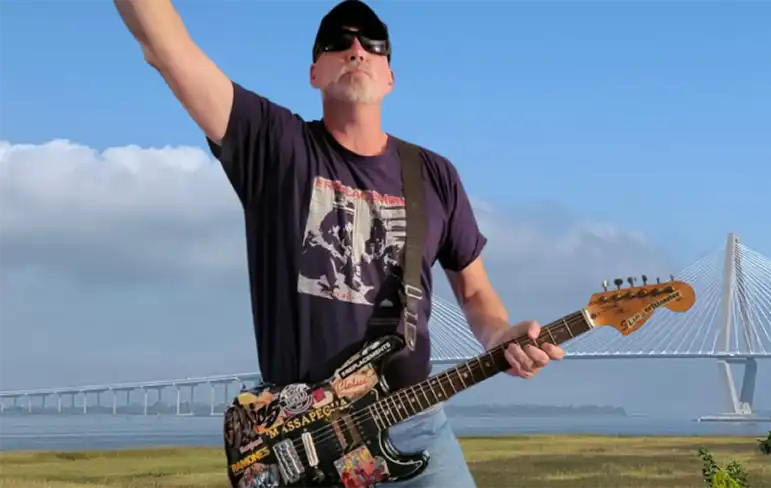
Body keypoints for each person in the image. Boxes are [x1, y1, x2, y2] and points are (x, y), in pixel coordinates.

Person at [113, 0, 566, 486]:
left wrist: (499, 337)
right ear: (313, 72)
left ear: (390, 76)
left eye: (373, 42)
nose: (357, 49)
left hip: (416, 428)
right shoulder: (275, 147)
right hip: (305, 440)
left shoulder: (434, 175)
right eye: (338, 41)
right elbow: (168, 48)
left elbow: (474, 294)